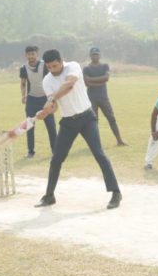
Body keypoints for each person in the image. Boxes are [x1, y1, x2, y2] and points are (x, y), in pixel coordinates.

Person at [34, 49, 122, 209]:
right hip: (68, 122)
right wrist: (45, 111)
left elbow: (68, 85)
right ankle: (49, 196)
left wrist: (52, 98)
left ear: (61, 61)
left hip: (87, 118)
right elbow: (53, 107)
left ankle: (116, 193)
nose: (52, 70)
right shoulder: (47, 81)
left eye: (55, 66)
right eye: (49, 67)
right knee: (56, 159)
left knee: (99, 154)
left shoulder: (73, 66)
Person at [83, 47, 127, 146]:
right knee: (94, 122)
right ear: (90, 56)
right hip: (91, 98)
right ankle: (95, 144)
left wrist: (92, 80)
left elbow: (106, 78)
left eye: (97, 54)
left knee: (111, 118)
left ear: (100, 55)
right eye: (93, 54)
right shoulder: (86, 68)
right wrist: (100, 81)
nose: (95, 56)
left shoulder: (105, 66)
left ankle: (119, 140)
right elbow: (86, 82)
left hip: (103, 98)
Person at [20, 45, 57, 158]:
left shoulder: (44, 65)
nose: (31, 56)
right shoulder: (23, 68)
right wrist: (24, 96)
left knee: (51, 126)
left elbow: (52, 79)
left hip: (45, 99)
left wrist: (52, 97)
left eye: (33, 54)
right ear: (26, 55)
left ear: (37, 54)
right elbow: (23, 83)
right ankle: (30, 151)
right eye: (29, 54)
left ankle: (55, 150)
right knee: (29, 125)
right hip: (31, 99)